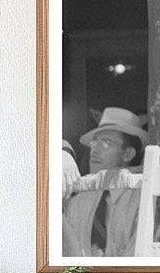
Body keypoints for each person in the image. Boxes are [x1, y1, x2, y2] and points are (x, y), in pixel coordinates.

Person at [62, 107, 148, 257]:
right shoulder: (77, 202)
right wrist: (63, 152)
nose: (94, 149)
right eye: (95, 142)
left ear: (127, 154)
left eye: (105, 142)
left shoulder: (142, 199)